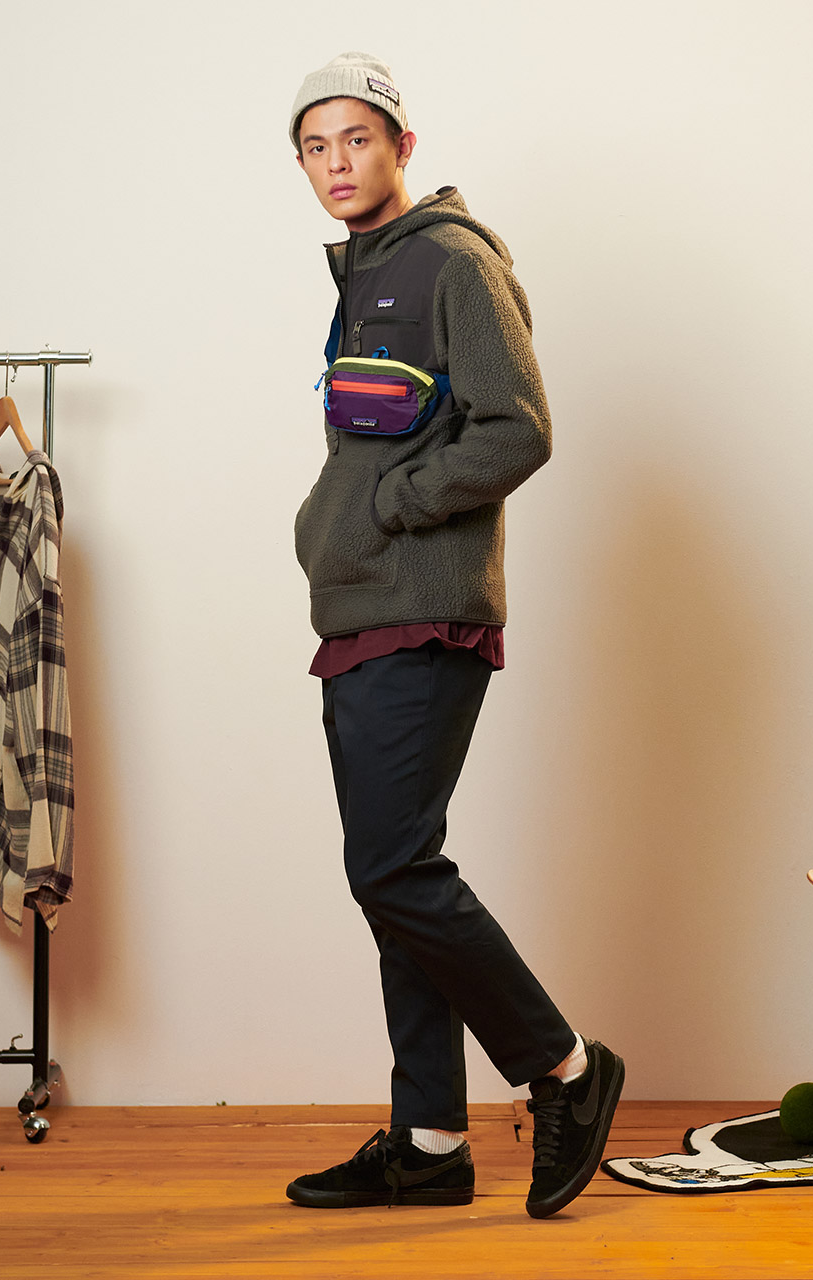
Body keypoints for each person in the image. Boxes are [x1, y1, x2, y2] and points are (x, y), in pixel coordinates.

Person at [285, 52, 624, 1219]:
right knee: (394, 878)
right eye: (315, 146)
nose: (337, 162)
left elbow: (516, 427)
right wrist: (340, 523)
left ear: (402, 146)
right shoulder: (367, 272)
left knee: (392, 867)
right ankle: (428, 1138)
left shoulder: (453, 264)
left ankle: (564, 1067)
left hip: (422, 606)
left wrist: (389, 506)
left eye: (357, 139)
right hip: (360, 609)